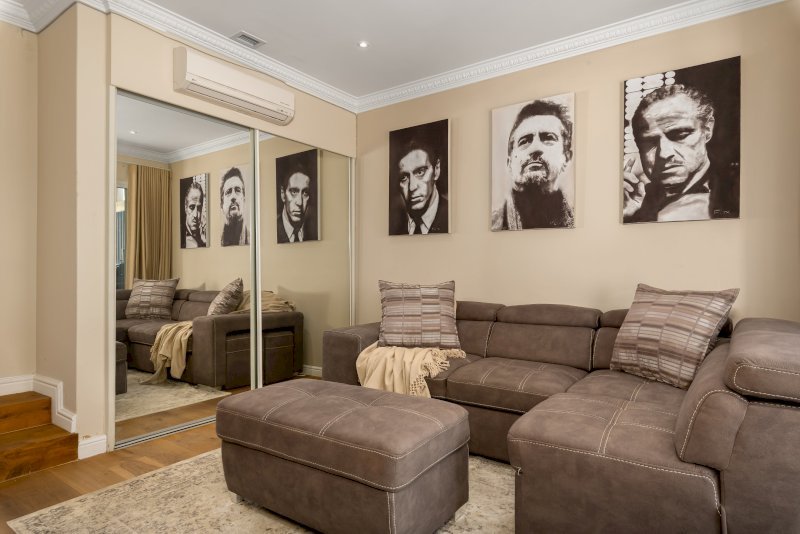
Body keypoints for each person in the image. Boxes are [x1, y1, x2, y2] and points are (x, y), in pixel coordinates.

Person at [623, 83, 737, 222]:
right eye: (650, 141)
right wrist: (632, 217)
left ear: (707, 130)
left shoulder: (737, 190)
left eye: (680, 135)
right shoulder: (636, 200)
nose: (664, 153)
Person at [491, 100, 574, 230]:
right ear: (509, 163)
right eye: (524, 141)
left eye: (548, 138)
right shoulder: (494, 224)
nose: (535, 149)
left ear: (566, 157)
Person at [390, 136, 448, 235]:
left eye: (420, 172)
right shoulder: (393, 224)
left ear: (436, 170)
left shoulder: (453, 216)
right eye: (404, 177)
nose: (412, 187)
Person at [277, 164, 317, 243]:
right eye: (294, 192)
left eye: (305, 193)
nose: (300, 202)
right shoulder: (271, 231)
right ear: (283, 194)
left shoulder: (314, 232)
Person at [220, 166, 249, 246]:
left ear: (244, 199)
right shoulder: (217, 241)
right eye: (228, 192)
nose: (233, 197)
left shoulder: (253, 239)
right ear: (222, 204)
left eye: (238, 190)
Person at [182, 180, 206, 248]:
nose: (195, 215)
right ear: (185, 207)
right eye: (192, 207)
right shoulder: (181, 238)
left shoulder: (205, 238)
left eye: (199, 208)